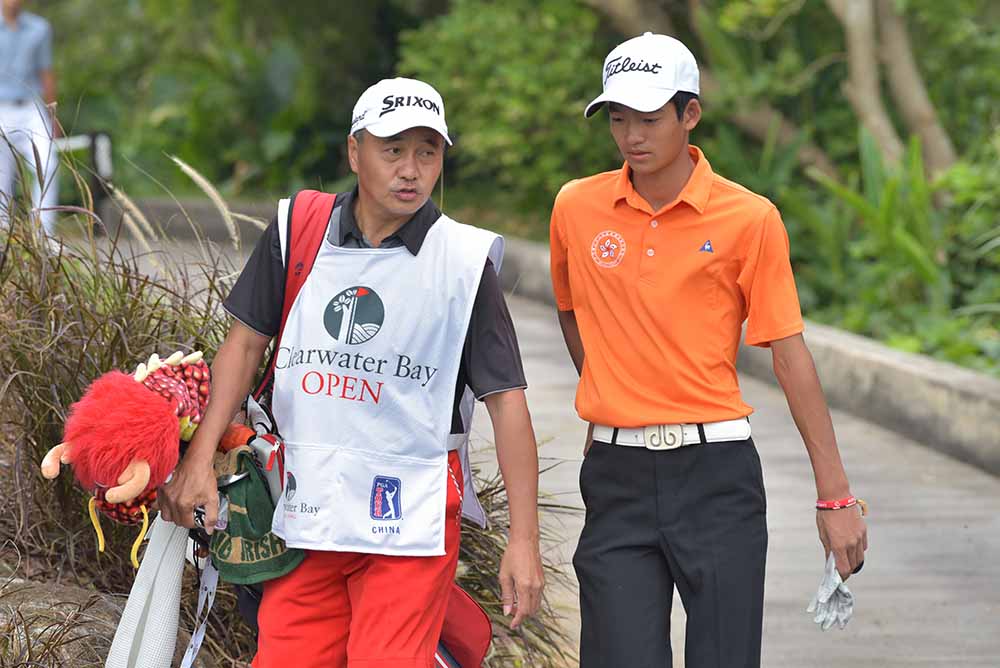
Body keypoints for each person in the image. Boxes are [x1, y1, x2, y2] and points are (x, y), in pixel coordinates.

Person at [158, 77, 544, 667]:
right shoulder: (297, 231)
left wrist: (523, 540)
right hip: (305, 514)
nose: (411, 170)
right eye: (393, 150)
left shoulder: (464, 264)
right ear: (354, 151)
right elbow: (241, 348)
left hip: (409, 522)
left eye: (428, 151)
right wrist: (198, 458)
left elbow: (507, 402)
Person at [549, 32, 868, 667]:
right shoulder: (576, 207)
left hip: (717, 477)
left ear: (689, 114)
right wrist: (612, 395)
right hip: (617, 483)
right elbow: (571, 311)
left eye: (648, 118)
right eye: (618, 119)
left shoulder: (749, 219)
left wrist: (835, 496)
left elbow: (788, 353)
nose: (632, 136)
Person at [0, 0, 59, 237]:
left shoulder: (39, 28)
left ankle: (44, 236)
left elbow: (46, 72)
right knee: (2, 178)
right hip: (1, 109)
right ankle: (4, 240)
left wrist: (53, 115)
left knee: (48, 165)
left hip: (31, 108)